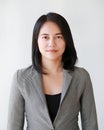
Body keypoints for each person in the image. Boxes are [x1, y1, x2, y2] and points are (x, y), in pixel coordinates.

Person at [7, 12, 98, 130]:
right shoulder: (21, 78)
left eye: (58, 37)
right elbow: (13, 127)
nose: (52, 43)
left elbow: (91, 125)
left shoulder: (81, 77)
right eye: (45, 37)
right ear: (36, 41)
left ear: (66, 40)